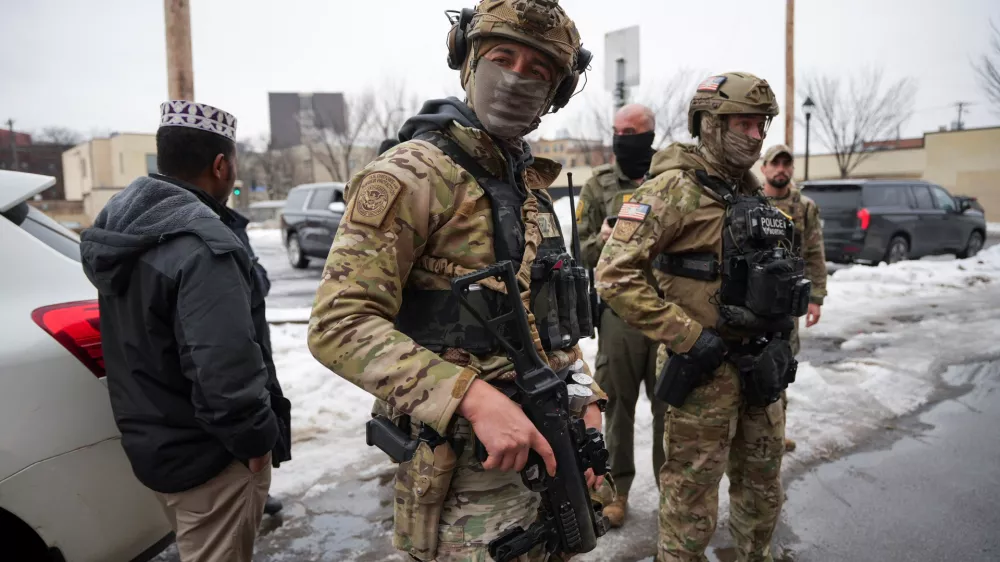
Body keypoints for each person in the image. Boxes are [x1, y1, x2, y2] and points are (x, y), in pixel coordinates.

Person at [307, 1, 607, 560]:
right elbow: (338, 325)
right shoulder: (411, 175)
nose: (517, 76)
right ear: (469, 62)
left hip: (548, 451)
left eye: (539, 70)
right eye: (502, 56)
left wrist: (585, 398)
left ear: (554, 95)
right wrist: (469, 397)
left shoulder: (531, 190)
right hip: (465, 486)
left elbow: (548, 322)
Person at [596, 72, 800, 561]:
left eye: (762, 125)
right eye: (745, 123)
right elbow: (614, 275)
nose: (756, 136)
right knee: (690, 502)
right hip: (703, 371)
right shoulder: (672, 190)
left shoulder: (755, 196)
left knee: (762, 487)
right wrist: (686, 335)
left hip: (762, 368)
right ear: (709, 125)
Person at [80, 101, 291, 562]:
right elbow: (224, 368)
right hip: (210, 458)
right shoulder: (201, 247)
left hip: (156, 443)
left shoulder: (128, 226)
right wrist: (256, 443)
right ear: (220, 165)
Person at [576, 103, 665, 528]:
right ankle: (616, 492)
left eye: (630, 131)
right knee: (616, 408)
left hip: (669, 310)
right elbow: (579, 252)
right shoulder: (598, 186)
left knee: (672, 405)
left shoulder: (671, 180)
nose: (621, 138)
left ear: (648, 135)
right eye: (616, 130)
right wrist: (604, 239)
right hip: (620, 314)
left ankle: (674, 490)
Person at [759, 144, 827, 453]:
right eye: (775, 163)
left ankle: (777, 428)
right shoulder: (752, 201)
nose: (781, 169)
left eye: (787, 164)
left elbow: (814, 253)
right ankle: (754, 429)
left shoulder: (804, 206)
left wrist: (816, 297)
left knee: (782, 364)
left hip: (788, 302)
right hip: (754, 300)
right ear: (764, 167)